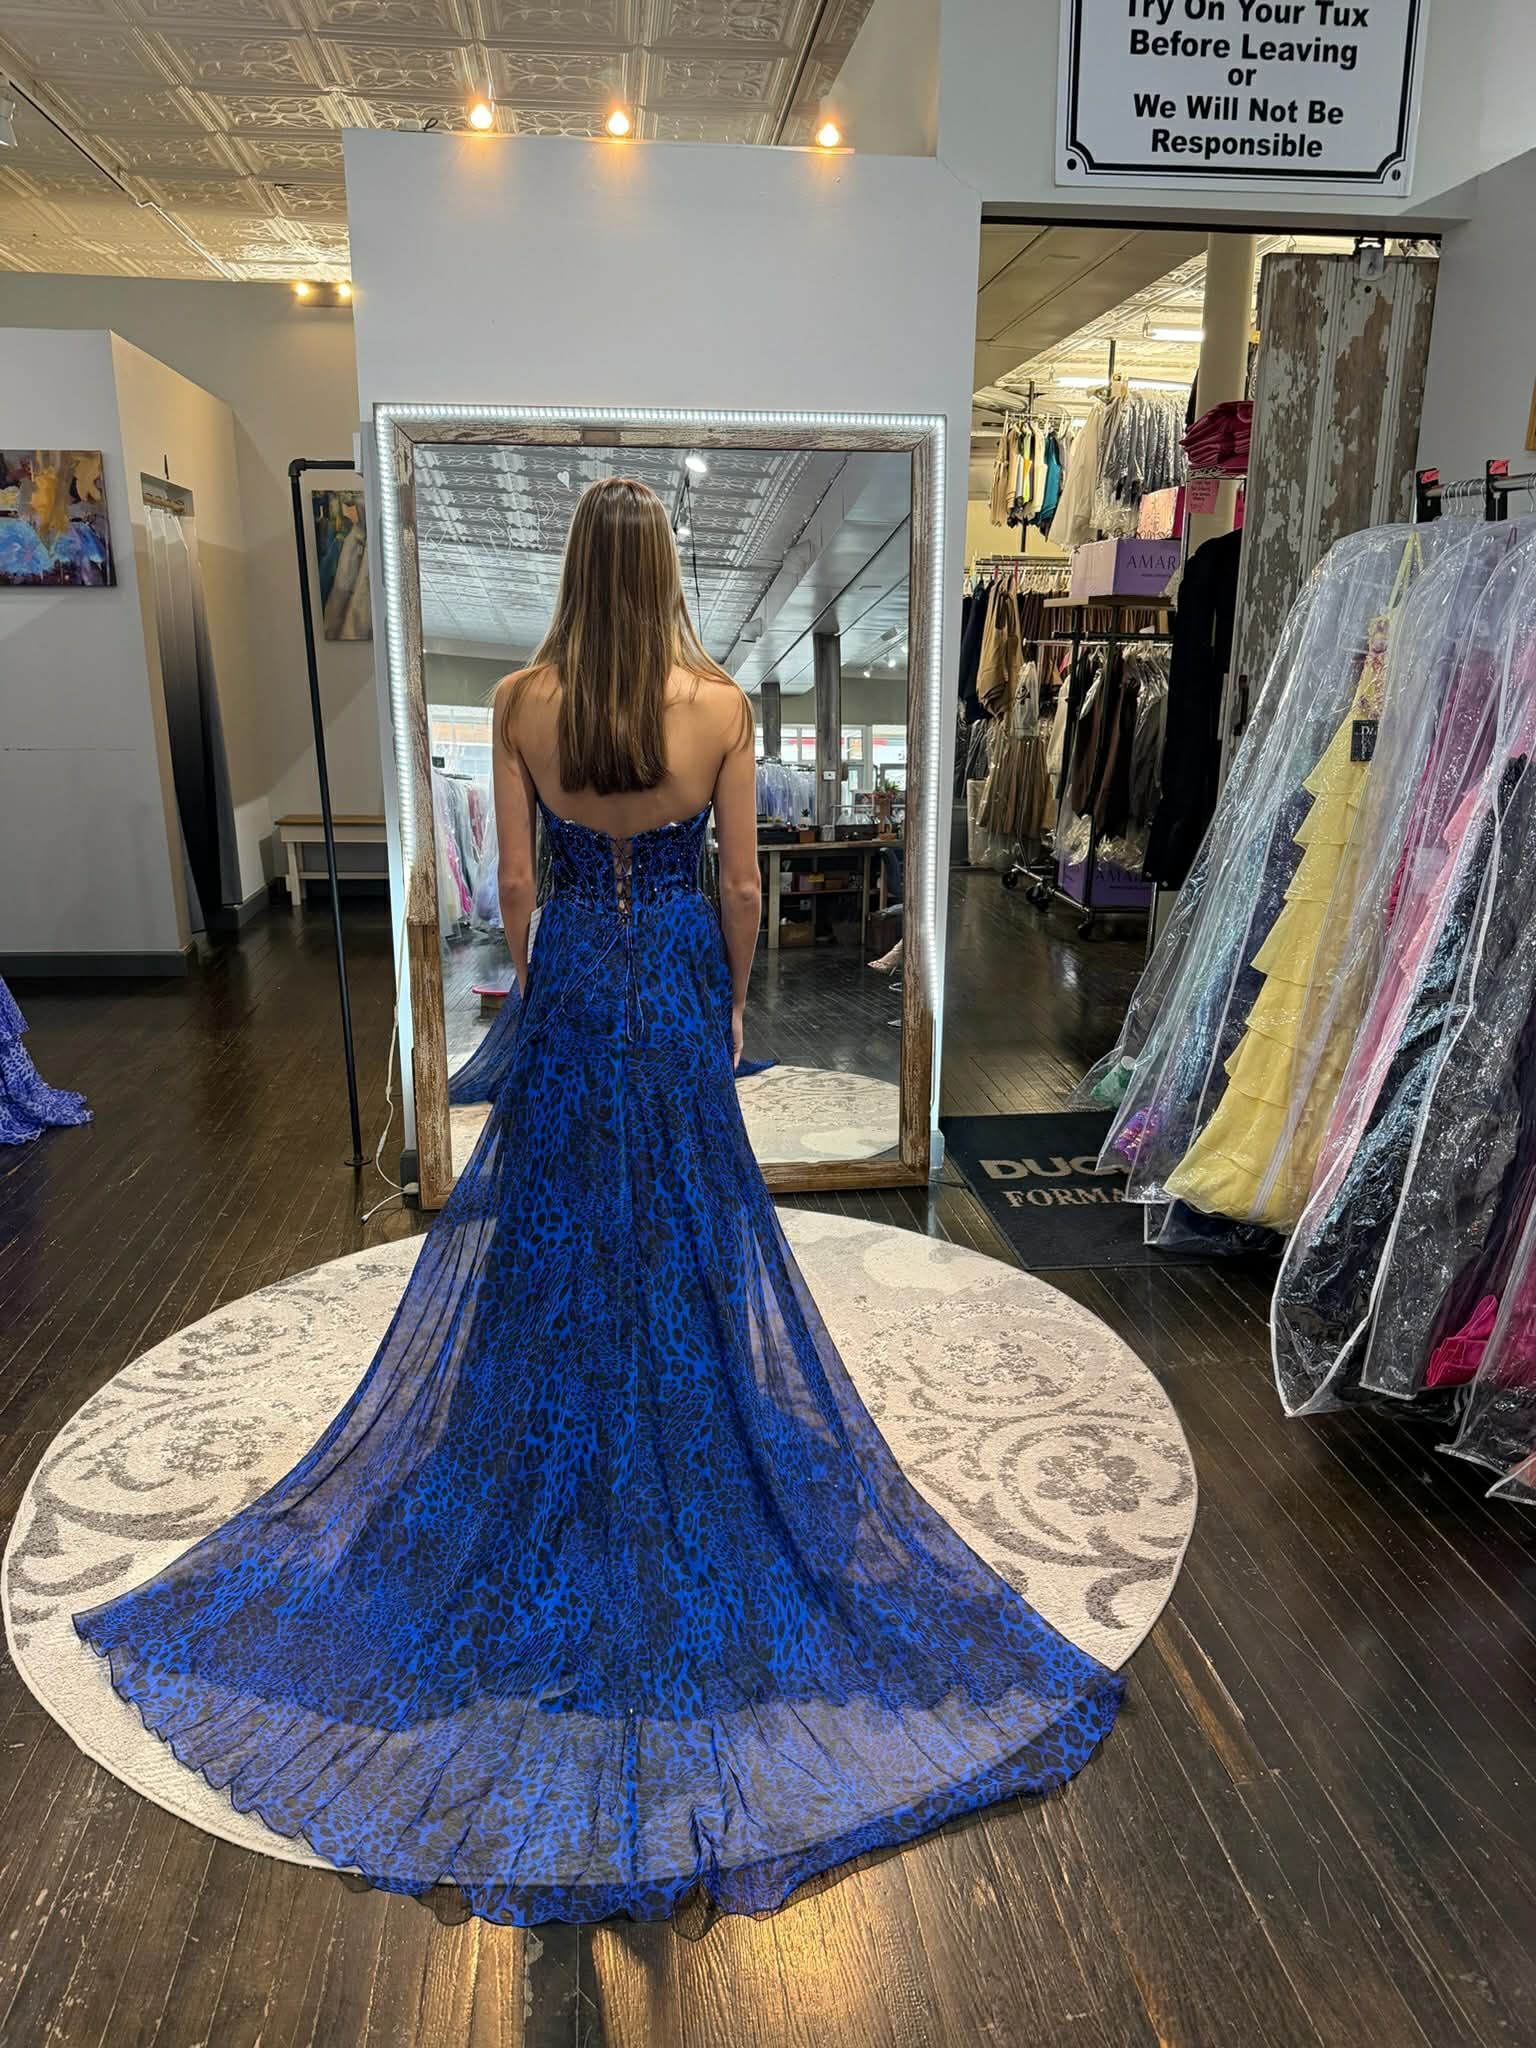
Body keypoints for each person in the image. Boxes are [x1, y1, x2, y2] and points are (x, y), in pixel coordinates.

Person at [72, 477, 1122, 1926]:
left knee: (553, 1237)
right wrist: (730, 1000)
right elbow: (743, 884)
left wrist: (559, 964)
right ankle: (682, 1436)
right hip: (677, 983)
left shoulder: (520, 701)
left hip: (574, 983)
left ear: (573, 569)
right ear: (670, 569)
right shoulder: (721, 706)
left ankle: (549, 1446)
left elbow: (512, 884)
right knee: (689, 1236)